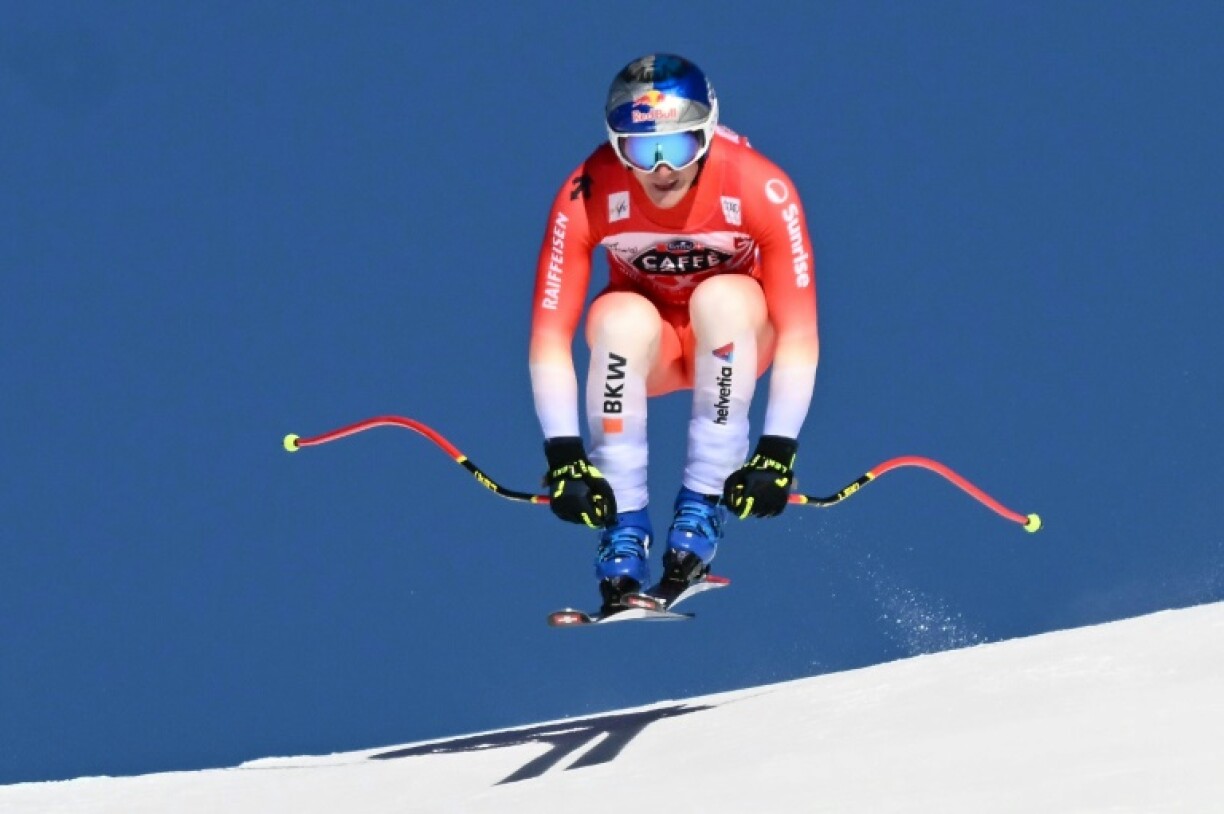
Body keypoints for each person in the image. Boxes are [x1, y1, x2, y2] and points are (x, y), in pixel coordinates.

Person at [528, 53, 819, 612]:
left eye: (680, 146)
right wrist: (565, 457)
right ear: (616, 146)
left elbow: (799, 333)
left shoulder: (762, 187)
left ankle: (702, 506)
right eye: (640, 149)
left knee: (724, 296)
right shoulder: (586, 192)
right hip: (654, 347)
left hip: (735, 339)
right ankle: (623, 525)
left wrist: (776, 451)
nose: (662, 169)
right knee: (616, 317)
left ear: (708, 135)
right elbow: (548, 338)